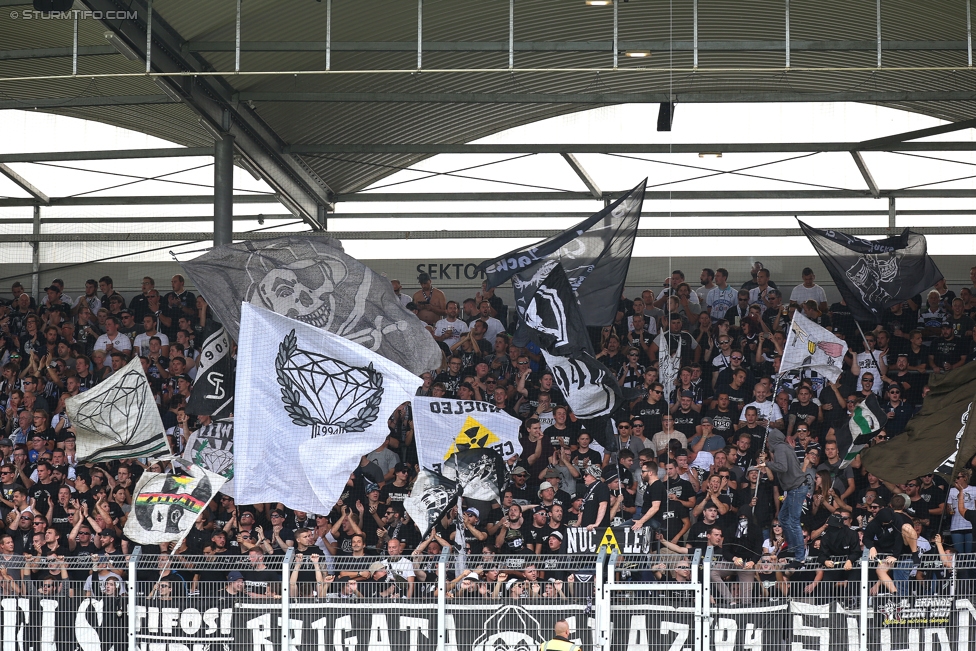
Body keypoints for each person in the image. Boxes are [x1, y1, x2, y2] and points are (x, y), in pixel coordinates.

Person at [764, 429, 811, 566]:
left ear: (772, 440)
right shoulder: (786, 447)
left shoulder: (779, 448)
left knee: (794, 521)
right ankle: (791, 546)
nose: (767, 443)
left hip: (797, 488)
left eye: (768, 441)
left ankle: (800, 556)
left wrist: (766, 464)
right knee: (783, 518)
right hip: (794, 488)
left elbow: (782, 467)